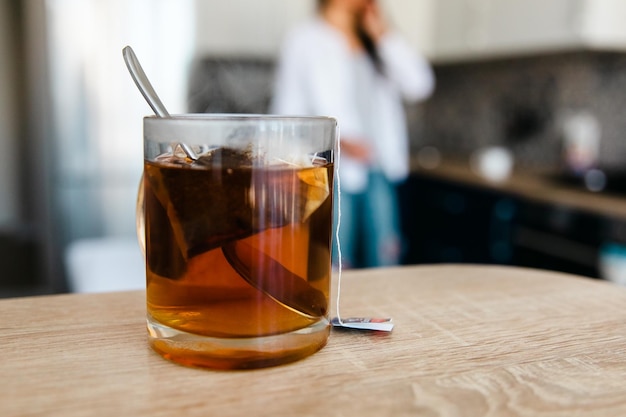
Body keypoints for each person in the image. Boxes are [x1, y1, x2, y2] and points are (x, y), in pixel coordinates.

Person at [271, 0, 434, 268]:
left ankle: (384, 311)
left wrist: (383, 34)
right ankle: (338, 312)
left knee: (386, 257)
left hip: (378, 166)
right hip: (331, 169)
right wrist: (338, 139)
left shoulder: (375, 37)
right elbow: (287, 110)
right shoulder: (304, 38)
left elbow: (420, 85)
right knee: (336, 261)